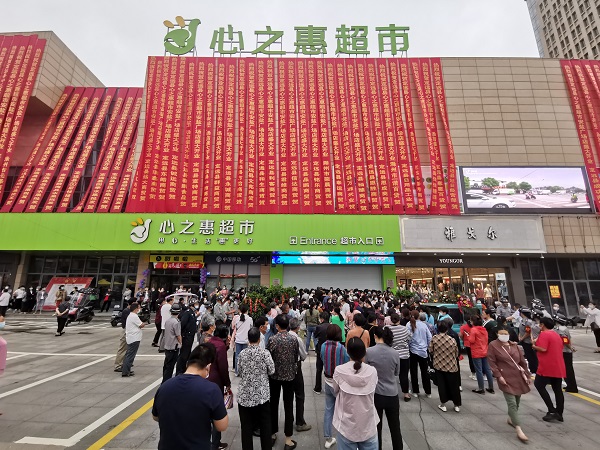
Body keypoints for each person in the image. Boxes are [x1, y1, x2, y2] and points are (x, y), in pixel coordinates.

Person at [153, 343, 228, 449]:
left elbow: (155, 417)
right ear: (208, 366)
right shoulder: (211, 390)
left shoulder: (165, 386)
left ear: (188, 364)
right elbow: (222, 426)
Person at [332, 337, 379, 450]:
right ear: (364, 352)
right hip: (368, 425)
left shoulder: (339, 370)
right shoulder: (372, 371)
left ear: (347, 352)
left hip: (346, 426)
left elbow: (335, 390)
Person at [487, 329, 532, 443]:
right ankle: (518, 428)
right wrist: (498, 376)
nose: (504, 336)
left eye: (506, 335)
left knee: (517, 400)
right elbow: (492, 362)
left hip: (517, 376)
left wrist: (527, 375)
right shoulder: (493, 345)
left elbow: (522, 361)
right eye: (502, 335)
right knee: (512, 403)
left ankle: (511, 419)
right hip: (505, 377)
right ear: (497, 335)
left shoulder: (514, 346)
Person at [238, 327, 275, 450]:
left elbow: (240, 371)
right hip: (261, 395)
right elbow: (272, 370)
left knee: (246, 427)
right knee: (265, 425)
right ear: (259, 339)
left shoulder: (242, 353)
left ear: (248, 339)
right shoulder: (265, 353)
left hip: (245, 396)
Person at [366, 326, 402, 450]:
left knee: (377, 427)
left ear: (375, 336)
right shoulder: (395, 353)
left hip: (376, 393)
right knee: (395, 427)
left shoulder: (369, 351)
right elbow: (397, 372)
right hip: (392, 394)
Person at [268, 314, 299, 450]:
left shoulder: (272, 340)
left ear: (277, 326)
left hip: (275, 376)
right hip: (289, 376)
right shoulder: (294, 339)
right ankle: (288, 439)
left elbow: (269, 357)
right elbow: (296, 356)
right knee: (288, 406)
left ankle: (272, 434)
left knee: (273, 404)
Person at [321, 324, 349, 449]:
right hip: (339, 384)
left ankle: (328, 438)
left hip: (327, 381)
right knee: (343, 410)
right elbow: (347, 363)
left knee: (329, 409)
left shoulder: (323, 346)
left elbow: (322, 358)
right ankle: (345, 437)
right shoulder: (341, 348)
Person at [532, 317, 566, 422]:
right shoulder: (556, 334)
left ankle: (551, 410)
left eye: (540, 324)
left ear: (543, 325)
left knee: (539, 385)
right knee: (557, 389)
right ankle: (559, 413)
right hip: (558, 365)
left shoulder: (544, 334)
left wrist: (534, 346)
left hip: (547, 365)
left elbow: (543, 348)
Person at [429, 321, 461, 413]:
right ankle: (456, 405)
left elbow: (430, 350)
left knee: (442, 386)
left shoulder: (434, 338)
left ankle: (443, 404)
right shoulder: (452, 340)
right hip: (451, 365)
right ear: (447, 329)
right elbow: (456, 353)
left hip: (439, 365)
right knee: (454, 386)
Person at [208, 324, 232, 450]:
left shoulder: (210, 342)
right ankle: (215, 444)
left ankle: (210, 442)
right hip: (216, 382)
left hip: (206, 379)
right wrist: (227, 383)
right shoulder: (220, 346)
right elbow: (223, 367)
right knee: (216, 413)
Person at [289, 318, 311, 432]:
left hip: (284, 370)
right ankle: (300, 422)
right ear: (297, 327)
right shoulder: (297, 339)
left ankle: (289, 422)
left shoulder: (283, 337)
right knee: (299, 395)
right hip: (296, 369)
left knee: (288, 397)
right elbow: (303, 355)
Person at [465, 315, 495, 394]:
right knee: (487, 370)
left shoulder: (473, 330)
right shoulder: (484, 329)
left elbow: (471, 340)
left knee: (479, 370)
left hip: (476, 352)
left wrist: (468, 336)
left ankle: (481, 388)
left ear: (473, 322)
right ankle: (491, 387)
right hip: (485, 350)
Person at [386, 312, 412, 402]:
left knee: (389, 375)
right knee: (404, 375)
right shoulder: (404, 329)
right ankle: (406, 394)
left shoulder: (387, 328)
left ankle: (389, 392)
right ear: (399, 320)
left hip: (391, 354)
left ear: (390, 320)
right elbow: (410, 338)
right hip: (404, 355)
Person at [408, 310, 432, 398]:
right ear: (419, 316)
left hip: (413, 350)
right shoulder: (424, 325)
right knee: (425, 372)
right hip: (423, 351)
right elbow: (429, 337)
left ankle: (415, 391)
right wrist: (427, 346)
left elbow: (408, 338)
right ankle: (428, 391)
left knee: (413, 372)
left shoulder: (408, 325)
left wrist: (410, 345)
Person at [553, 316, 578, 393]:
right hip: (565, 351)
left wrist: (570, 347)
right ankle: (570, 385)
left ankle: (572, 387)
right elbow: (569, 339)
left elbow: (565, 340)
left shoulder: (560, 329)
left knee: (567, 370)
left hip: (565, 351)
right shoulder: (563, 328)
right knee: (567, 369)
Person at [122, 302, 146, 377]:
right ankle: (125, 371)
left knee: (129, 354)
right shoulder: (134, 316)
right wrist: (144, 323)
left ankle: (126, 369)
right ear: (136, 309)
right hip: (134, 338)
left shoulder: (131, 315)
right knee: (130, 355)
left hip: (131, 337)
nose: (140, 309)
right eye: (139, 308)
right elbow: (141, 325)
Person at [176, 300, 199, 375]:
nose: (197, 305)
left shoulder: (192, 312)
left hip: (190, 335)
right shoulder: (187, 312)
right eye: (196, 304)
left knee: (187, 353)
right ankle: (179, 371)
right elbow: (182, 324)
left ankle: (184, 369)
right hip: (187, 336)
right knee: (184, 354)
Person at [162, 303, 182, 383]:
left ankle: (164, 380)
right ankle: (166, 382)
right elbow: (178, 335)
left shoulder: (168, 321)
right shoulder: (176, 322)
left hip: (167, 346)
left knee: (166, 365)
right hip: (174, 346)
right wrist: (181, 343)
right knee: (170, 366)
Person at [233, 304, 253, 376]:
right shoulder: (250, 319)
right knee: (246, 357)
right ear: (247, 310)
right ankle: (244, 371)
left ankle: (237, 371)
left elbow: (235, 327)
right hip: (246, 340)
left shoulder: (237, 319)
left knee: (237, 356)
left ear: (239, 310)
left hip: (238, 340)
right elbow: (251, 329)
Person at [313, 311, 331, 395]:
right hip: (329, 349)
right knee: (329, 368)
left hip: (320, 349)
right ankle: (329, 387)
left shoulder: (319, 327)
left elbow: (315, 336)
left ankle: (318, 388)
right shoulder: (331, 326)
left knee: (319, 369)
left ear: (322, 319)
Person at [518, 308, 539, 374]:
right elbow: (521, 330)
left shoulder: (528, 322)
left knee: (532, 357)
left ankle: (534, 370)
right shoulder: (523, 320)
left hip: (528, 341)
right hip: (524, 340)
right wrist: (519, 336)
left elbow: (528, 332)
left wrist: (522, 338)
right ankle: (532, 369)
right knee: (528, 356)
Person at [114, 302, 131, 372]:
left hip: (128, 332)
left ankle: (123, 364)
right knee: (122, 349)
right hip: (125, 331)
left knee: (126, 349)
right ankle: (118, 365)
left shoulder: (129, 311)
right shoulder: (126, 311)